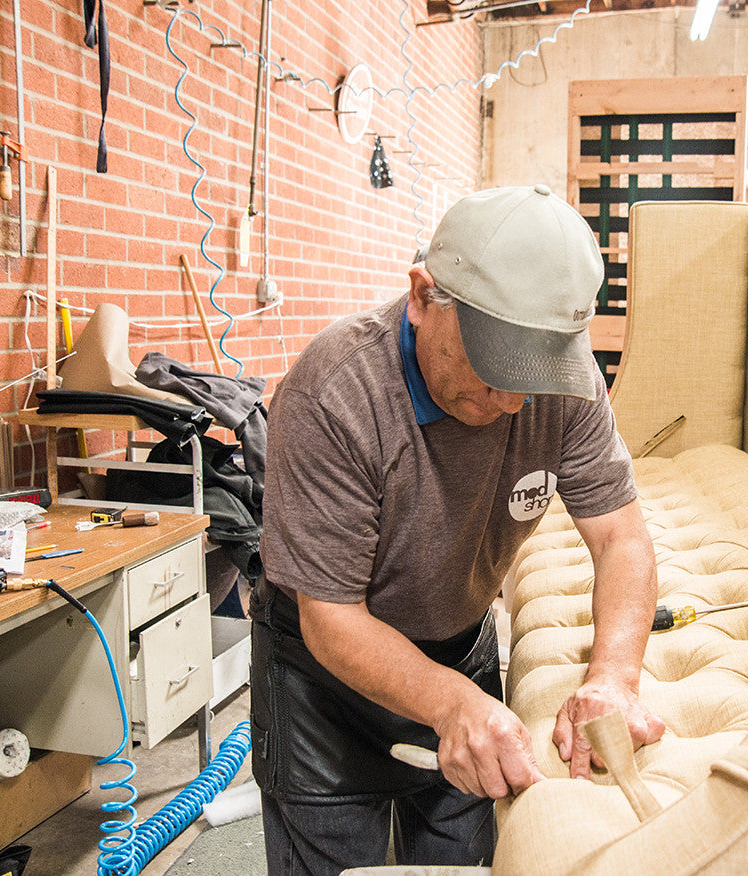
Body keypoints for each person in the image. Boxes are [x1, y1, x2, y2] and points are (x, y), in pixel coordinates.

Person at [250, 184, 666, 875]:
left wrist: (615, 678)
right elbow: (331, 619)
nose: (511, 402)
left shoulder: (568, 388)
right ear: (422, 297)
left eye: (532, 376)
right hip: (323, 682)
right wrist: (449, 704)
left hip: (459, 643)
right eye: (494, 366)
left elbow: (622, 539)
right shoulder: (335, 394)